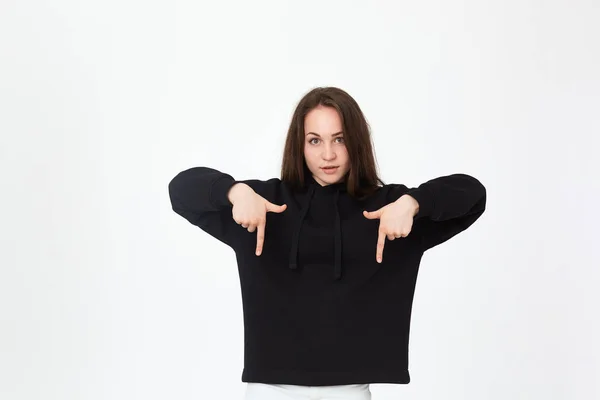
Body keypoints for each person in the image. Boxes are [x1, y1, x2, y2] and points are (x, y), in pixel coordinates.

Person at [168, 87, 487, 400]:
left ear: (356, 142)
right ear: (300, 145)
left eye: (340, 139)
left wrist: (415, 203)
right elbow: (180, 190)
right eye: (314, 141)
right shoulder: (264, 205)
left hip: (350, 392)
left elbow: (473, 194)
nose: (328, 154)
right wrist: (233, 192)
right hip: (270, 392)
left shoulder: (386, 210)